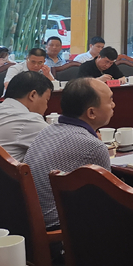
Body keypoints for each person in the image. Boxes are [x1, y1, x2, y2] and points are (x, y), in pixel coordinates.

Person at [24, 78, 114, 229]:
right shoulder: (93, 146)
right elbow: (107, 200)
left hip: (30, 220)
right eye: (110, 100)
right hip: (58, 227)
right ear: (91, 113)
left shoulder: (48, 130)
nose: (113, 105)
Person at [0, 71, 50, 162]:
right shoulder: (29, 120)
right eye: (46, 100)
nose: (46, 107)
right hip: (3, 171)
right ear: (32, 95)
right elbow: (58, 146)